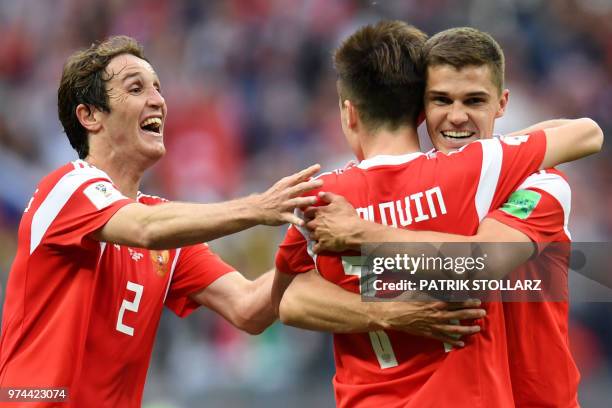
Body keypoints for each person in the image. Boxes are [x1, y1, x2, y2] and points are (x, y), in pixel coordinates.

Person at [272, 22, 602, 407]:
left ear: (502, 104)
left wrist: (363, 234)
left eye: (474, 101)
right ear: (419, 108)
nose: (457, 117)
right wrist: (391, 312)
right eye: (441, 100)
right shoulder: (447, 181)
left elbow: (480, 264)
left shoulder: (540, 182)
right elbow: (287, 300)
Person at [0, 35, 324, 408]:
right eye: (136, 88)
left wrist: (303, 244)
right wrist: (259, 207)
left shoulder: (165, 227)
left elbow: (248, 307)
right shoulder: (67, 188)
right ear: (90, 116)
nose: (158, 100)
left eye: (158, 88)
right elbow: (145, 229)